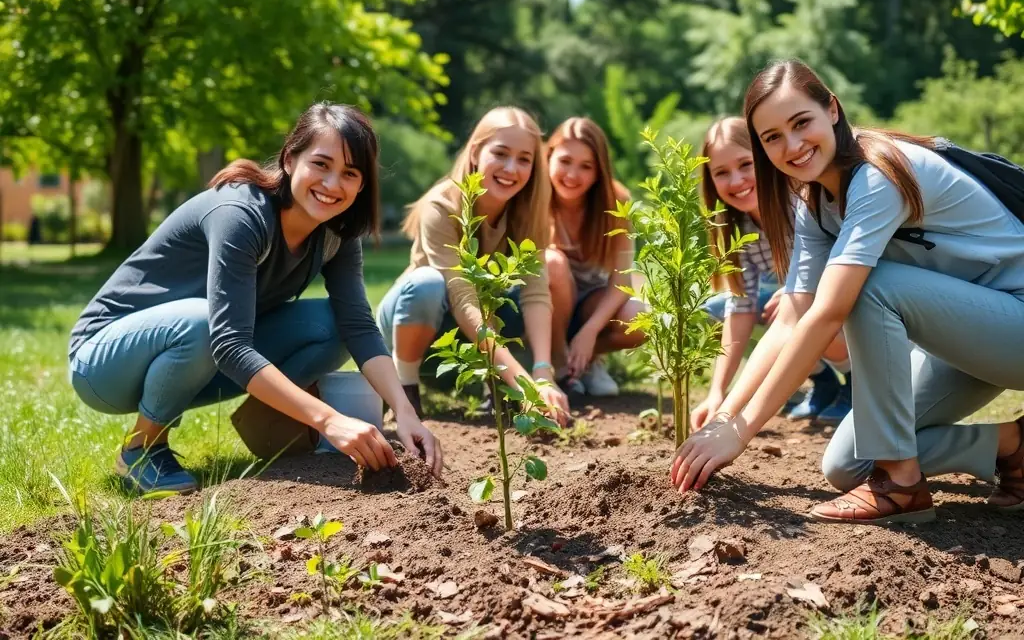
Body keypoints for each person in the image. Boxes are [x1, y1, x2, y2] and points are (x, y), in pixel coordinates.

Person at [670, 59, 1024, 524]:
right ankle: (1013, 446)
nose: (792, 146)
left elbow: (828, 311)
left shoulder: (880, 175)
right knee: (849, 464)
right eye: (772, 137)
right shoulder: (814, 201)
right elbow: (793, 315)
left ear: (832, 110)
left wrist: (743, 432)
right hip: (970, 333)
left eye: (801, 123)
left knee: (868, 286)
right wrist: (726, 418)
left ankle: (901, 486)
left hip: (1012, 324)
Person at [68, 104, 442, 494]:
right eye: (321, 164)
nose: (333, 184)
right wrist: (329, 420)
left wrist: (404, 411)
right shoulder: (241, 214)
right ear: (289, 159)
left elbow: (359, 325)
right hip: (104, 362)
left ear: (362, 185)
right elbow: (228, 344)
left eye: (350, 173)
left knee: (334, 326)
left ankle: (268, 424)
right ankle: (141, 449)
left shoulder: (336, 233)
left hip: (200, 355)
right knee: (201, 321)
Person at [376, 106, 570, 423]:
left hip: (467, 347)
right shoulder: (442, 206)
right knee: (427, 283)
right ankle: (404, 390)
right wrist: (524, 385)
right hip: (414, 332)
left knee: (510, 294)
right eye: (501, 153)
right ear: (477, 151)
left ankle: (496, 387)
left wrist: (543, 372)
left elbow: (535, 292)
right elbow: (462, 298)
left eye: (524, 159)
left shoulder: (528, 213)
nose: (511, 168)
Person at [691, 116, 852, 431]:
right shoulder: (738, 229)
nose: (736, 181)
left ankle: (857, 383)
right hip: (798, 307)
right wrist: (717, 394)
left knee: (788, 309)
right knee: (724, 307)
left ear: (765, 159)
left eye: (745, 165)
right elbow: (740, 309)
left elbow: (842, 268)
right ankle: (823, 382)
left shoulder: (801, 202)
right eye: (722, 173)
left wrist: (797, 294)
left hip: (847, 306)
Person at [544, 117, 646, 397]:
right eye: (565, 161)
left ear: (599, 171)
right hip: (545, 304)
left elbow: (623, 278)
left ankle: (584, 358)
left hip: (590, 302)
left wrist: (589, 332)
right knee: (552, 263)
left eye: (586, 166)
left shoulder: (616, 201)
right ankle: (558, 363)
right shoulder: (534, 197)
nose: (572, 175)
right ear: (549, 156)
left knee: (640, 319)